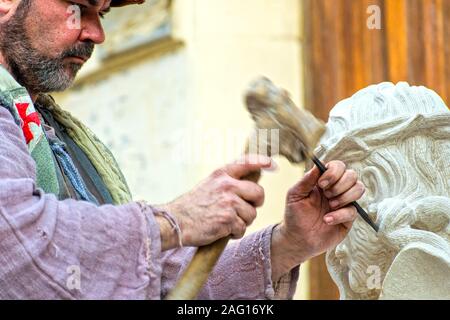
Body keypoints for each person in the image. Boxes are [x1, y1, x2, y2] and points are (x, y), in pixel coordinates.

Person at [0, 0, 365, 299]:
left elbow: (150, 281)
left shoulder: (60, 136)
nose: (97, 33)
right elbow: (16, 246)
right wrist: (177, 220)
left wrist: (289, 243)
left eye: (104, 12)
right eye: (79, 7)